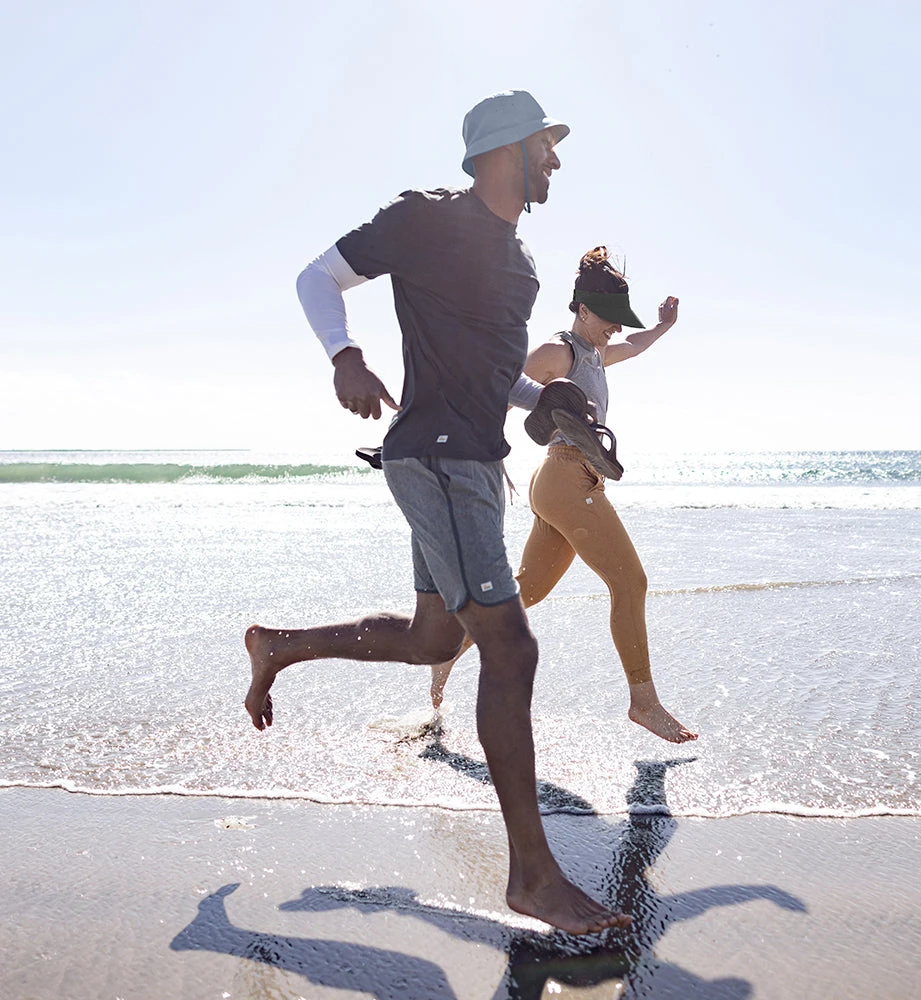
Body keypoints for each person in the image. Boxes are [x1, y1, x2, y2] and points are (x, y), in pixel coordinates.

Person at [243, 91, 631, 935]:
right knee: (510, 647)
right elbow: (317, 276)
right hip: (435, 458)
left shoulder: (521, 266)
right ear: (504, 151)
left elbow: (497, 378)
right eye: (545, 145)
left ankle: (279, 647)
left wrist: (549, 397)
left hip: (477, 464)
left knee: (434, 640)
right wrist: (344, 355)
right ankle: (533, 877)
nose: (556, 160)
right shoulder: (425, 218)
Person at [430, 247, 698, 745]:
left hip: (570, 481)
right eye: (609, 318)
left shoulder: (595, 354)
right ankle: (643, 701)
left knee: (526, 590)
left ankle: (449, 647)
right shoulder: (561, 351)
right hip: (565, 477)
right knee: (630, 582)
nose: (615, 328)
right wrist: (482, 447)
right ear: (583, 309)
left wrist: (663, 327)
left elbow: (633, 345)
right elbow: (502, 385)